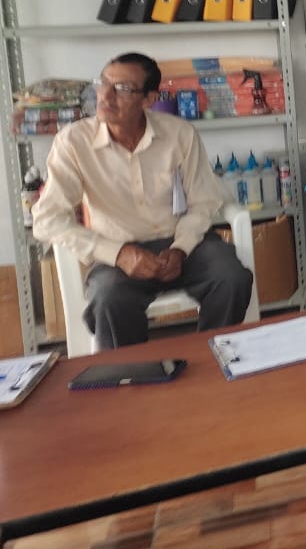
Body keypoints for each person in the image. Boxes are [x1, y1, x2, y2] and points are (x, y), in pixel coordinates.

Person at [31, 52, 252, 348]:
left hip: (180, 244)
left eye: (122, 88)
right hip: (117, 252)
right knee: (109, 298)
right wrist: (118, 254)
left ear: (149, 99)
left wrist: (181, 248)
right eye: (103, 83)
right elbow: (47, 220)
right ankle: (131, 369)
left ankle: (212, 355)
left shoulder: (179, 134)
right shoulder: (73, 142)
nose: (105, 96)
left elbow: (204, 200)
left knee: (232, 277)